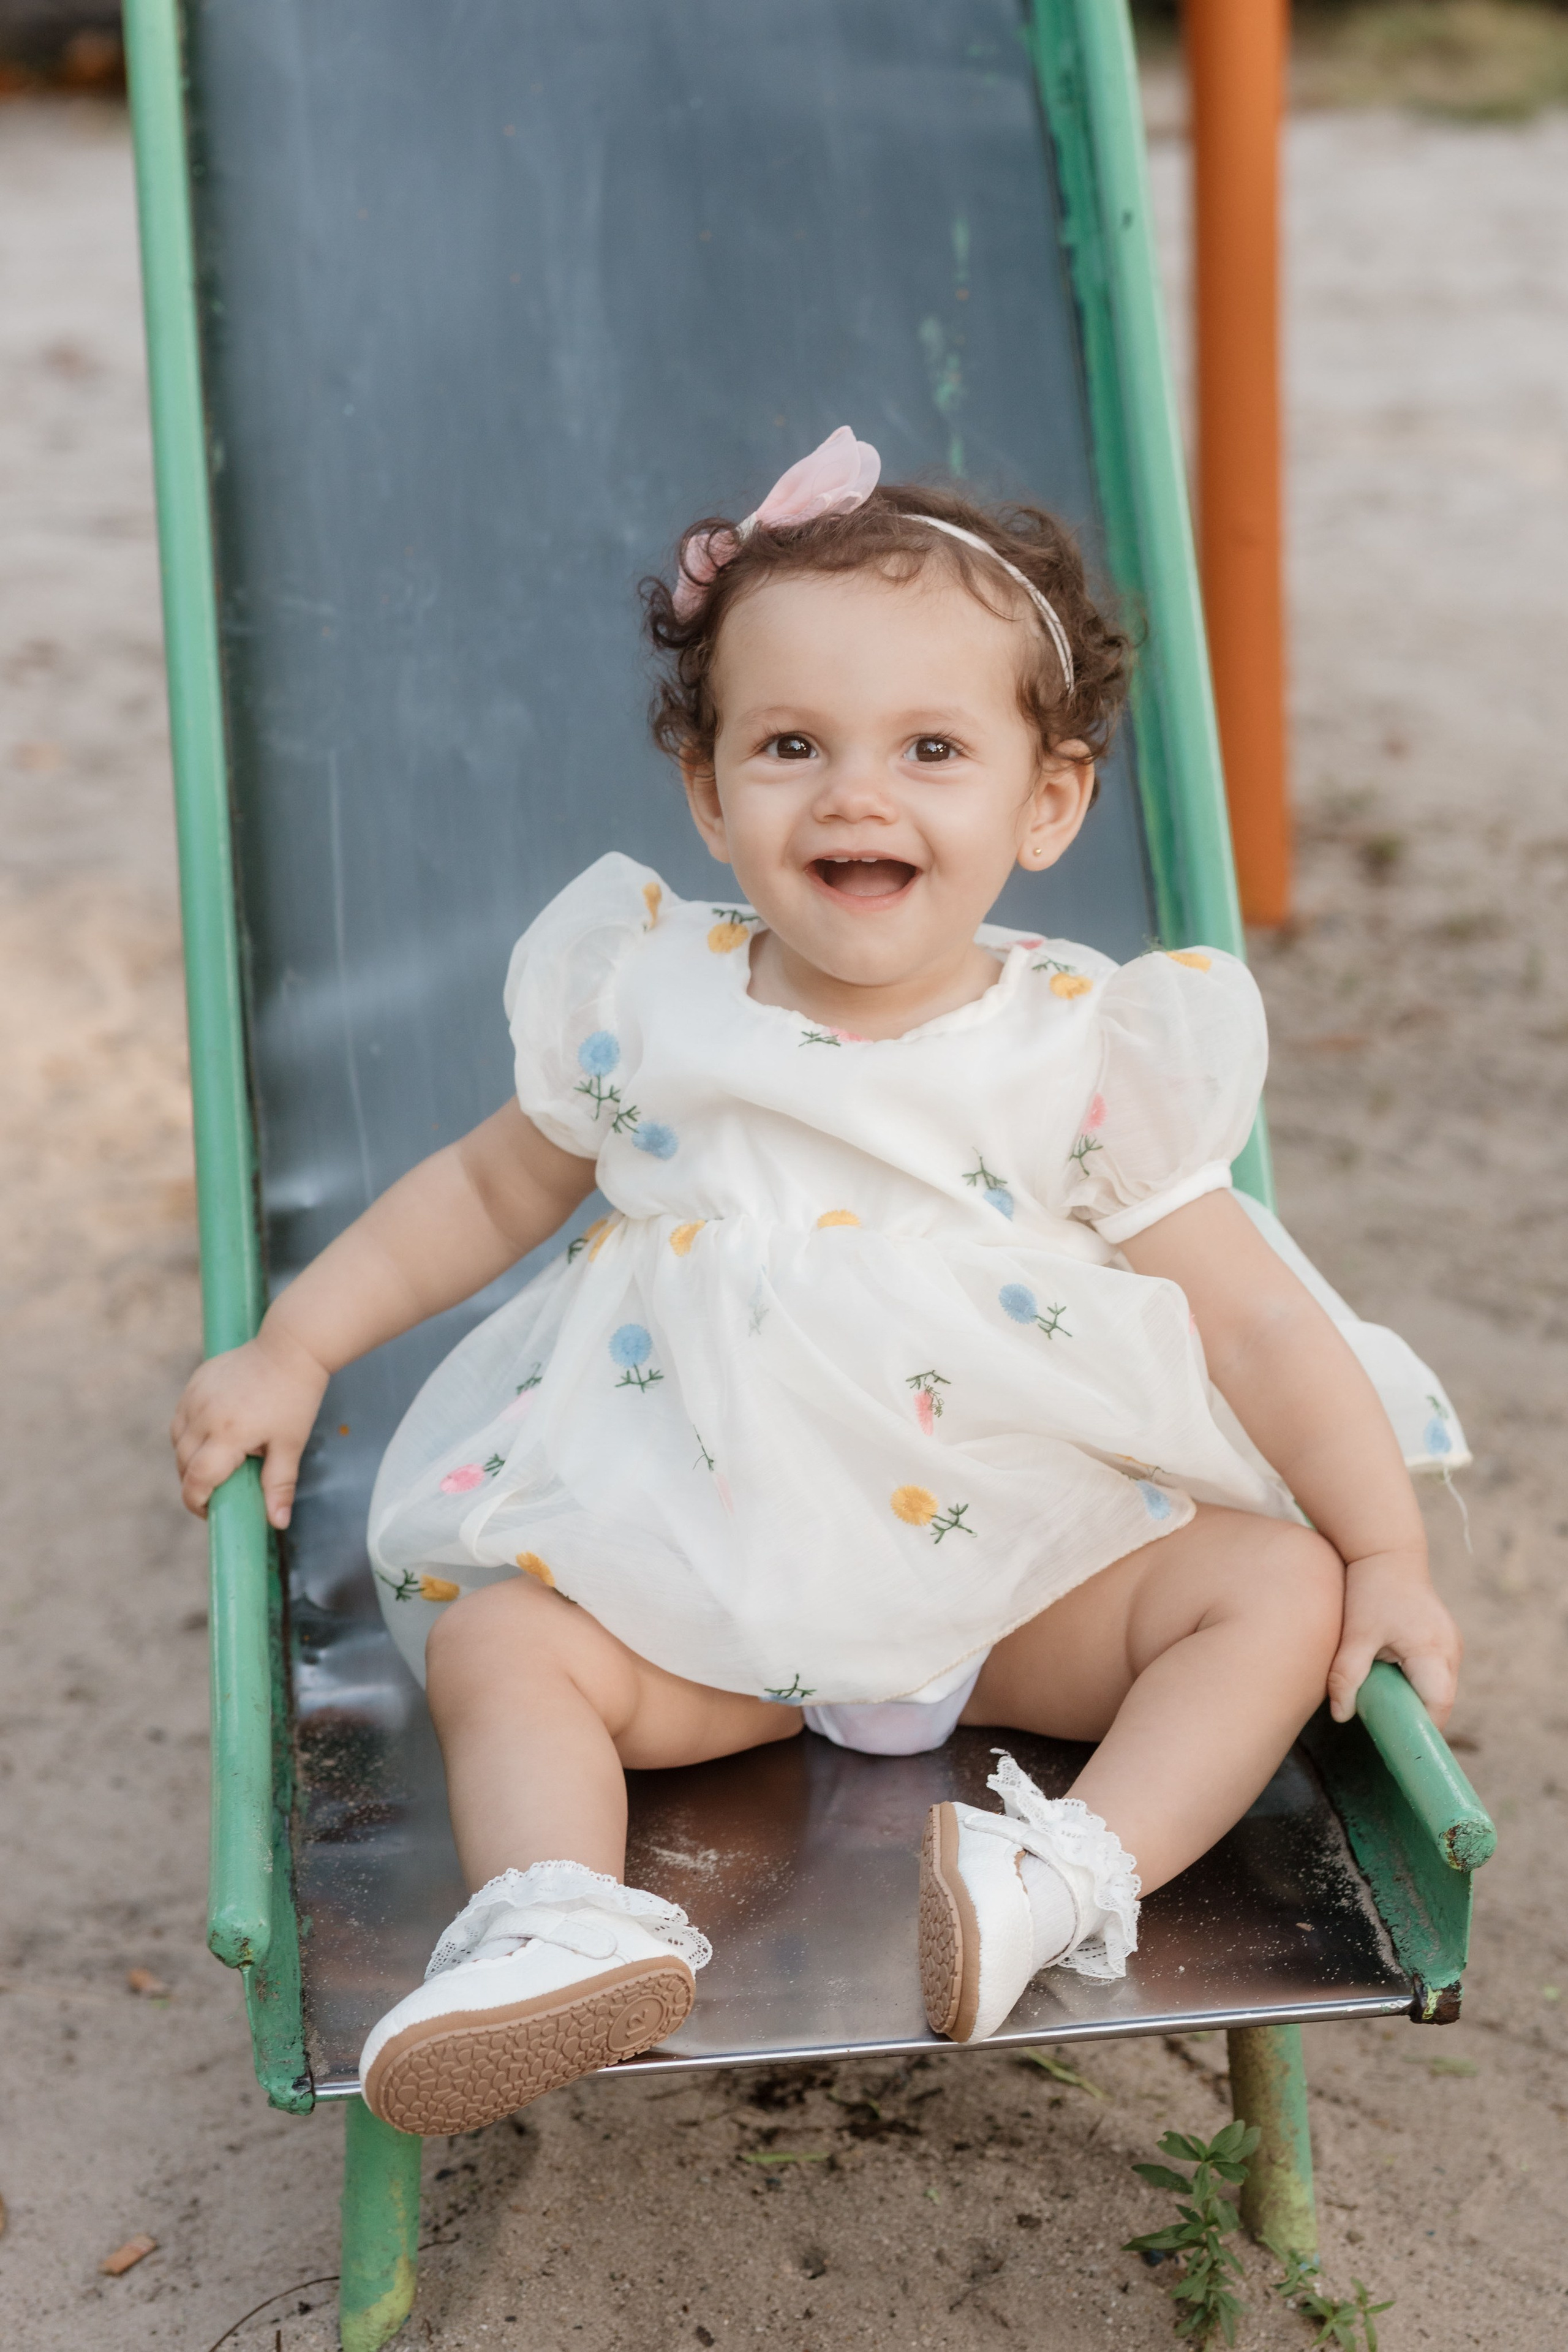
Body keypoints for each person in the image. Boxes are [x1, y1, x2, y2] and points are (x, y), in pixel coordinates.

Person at [171, 428, 1463, 2137]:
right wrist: (296, 1343)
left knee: (1275, 1594)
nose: (858, 795)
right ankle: (560, 1917)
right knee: (506, 1641)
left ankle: (1060, 1878)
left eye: (934, 749)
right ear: (710, 789)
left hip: (1010, 1582)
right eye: (791, 746)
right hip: (706, 1579)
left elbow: (1256, 1317)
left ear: (1046, 799)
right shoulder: (651, 999)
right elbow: (483, 1189)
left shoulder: (1082, 1051)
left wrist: (1384, 1549)